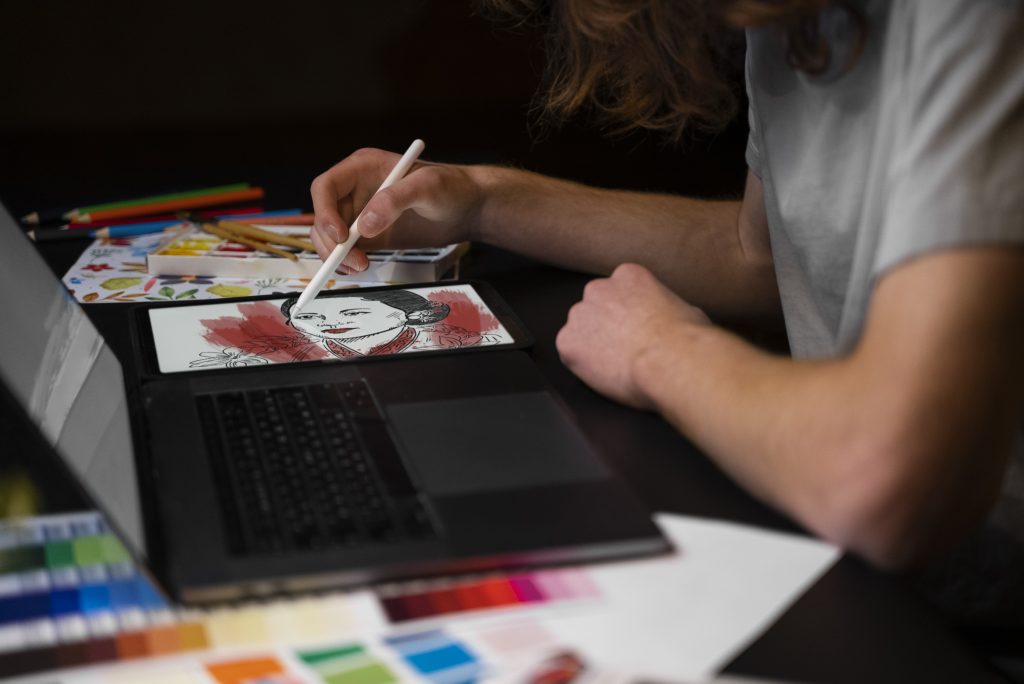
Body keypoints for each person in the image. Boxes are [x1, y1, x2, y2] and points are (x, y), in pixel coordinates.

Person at [308, 0, 1024, 625]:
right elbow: (761, 256)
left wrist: (661, 351)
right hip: (852, 555)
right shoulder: (789, 24)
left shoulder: (972, 18)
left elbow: (886, 477)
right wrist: (482, 199)